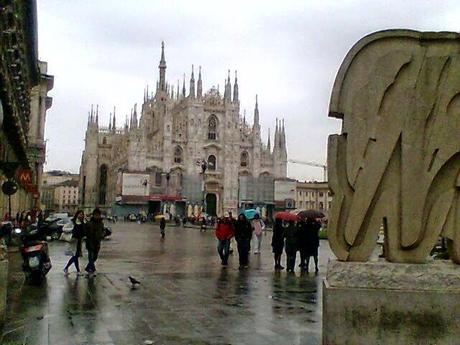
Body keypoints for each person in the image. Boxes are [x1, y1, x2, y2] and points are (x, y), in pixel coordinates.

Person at [63, 210, 86, 276]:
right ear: (77, 214)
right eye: (80, 214)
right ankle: (67, 268)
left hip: (79, 241)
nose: (81, 215)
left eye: (82, 214)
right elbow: (64, 228)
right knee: (75, 256)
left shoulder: (83, 222)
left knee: (76, 256)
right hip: (74, 241)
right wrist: (71, 230)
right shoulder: (73, 221)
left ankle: (77, 271)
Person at [85, 208, 105, 276]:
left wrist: (102, 234)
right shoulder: (90, 223)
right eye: (96, 215)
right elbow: (87, 233)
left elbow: (103, 230)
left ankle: (88, 268)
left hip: (97, 243)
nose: (97, 216)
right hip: (90, 242)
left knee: (95, 257)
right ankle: (93, 270)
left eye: (98, 215)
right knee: (91, 257)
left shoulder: (101, 223)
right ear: (93, 215)